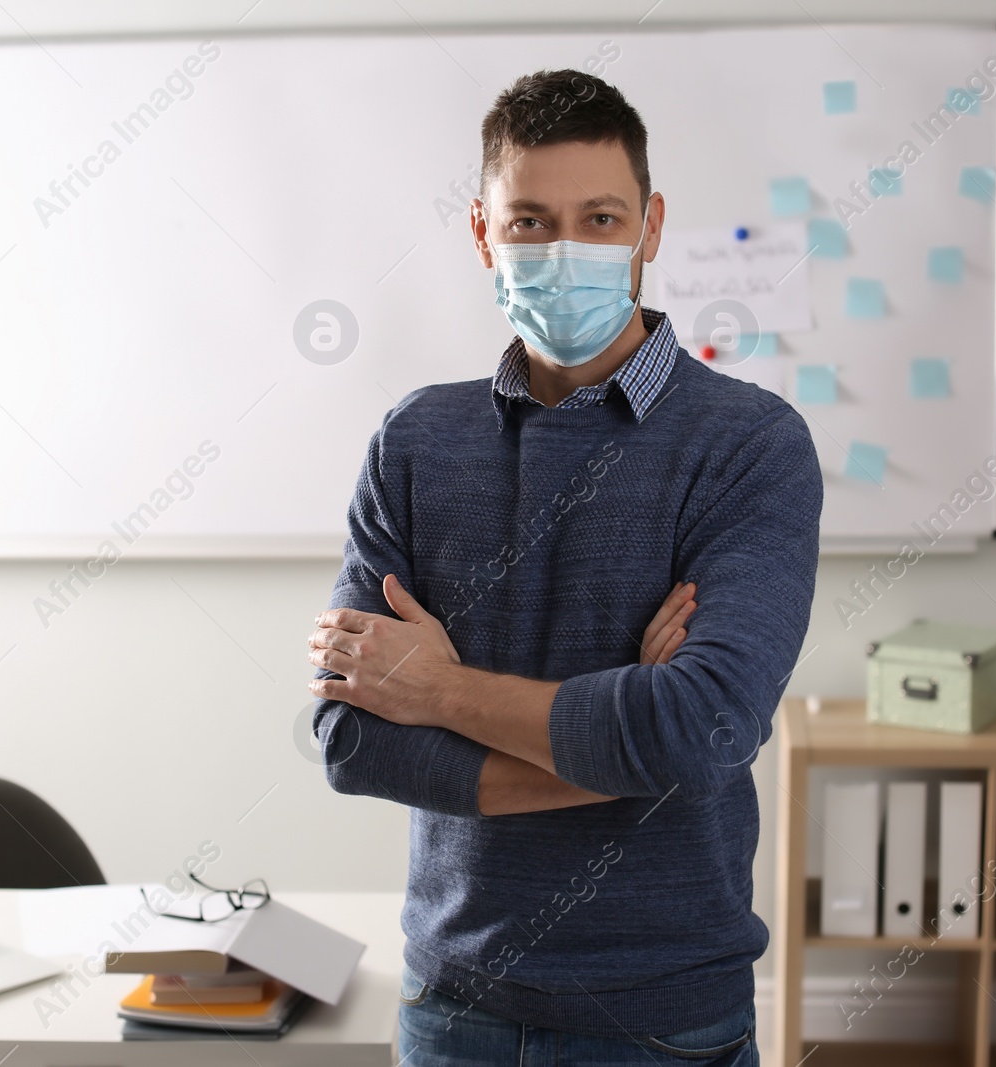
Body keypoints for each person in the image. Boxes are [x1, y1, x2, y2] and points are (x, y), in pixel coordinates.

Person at [308, 67, 821, 1066]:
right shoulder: (416, 439)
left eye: (599, 218)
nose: (565, 251)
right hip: (454, 1006)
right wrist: (633, 747)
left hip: (663, 1014)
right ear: (481, 232)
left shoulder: (749, 444)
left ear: (650, 226)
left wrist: (442, 688)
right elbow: (350, 737)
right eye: (531, 222)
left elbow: (702, 723)